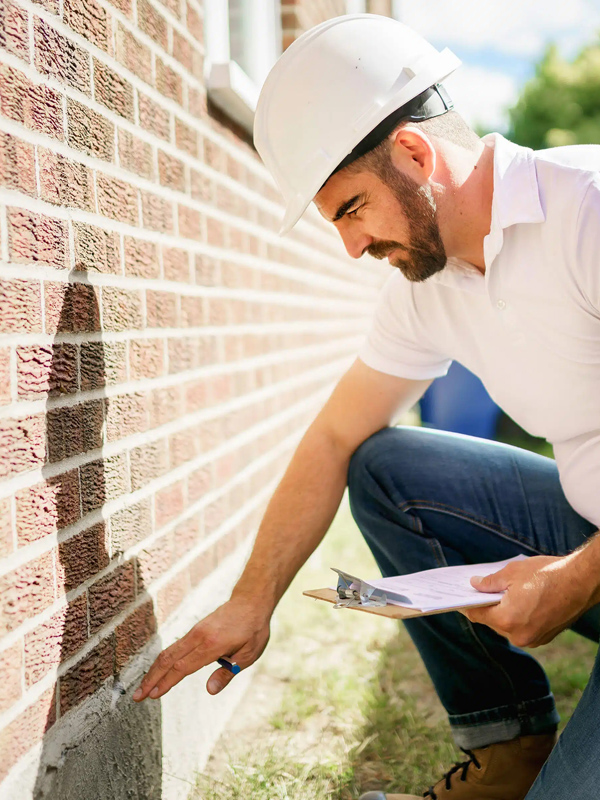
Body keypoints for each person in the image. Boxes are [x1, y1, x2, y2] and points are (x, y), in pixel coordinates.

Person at [133, 14, 600, 799]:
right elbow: (332, 438)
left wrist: (578, 579)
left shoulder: (587, 207)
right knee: (385, 465)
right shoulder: (428, 287)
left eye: (352, 208)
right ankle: (507, 749)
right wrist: (251, 601)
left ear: (415, 154)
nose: (352, 247)